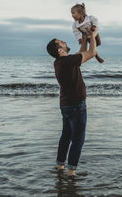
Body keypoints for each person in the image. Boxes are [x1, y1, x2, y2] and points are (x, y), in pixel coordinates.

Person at [46, 26, 97, 177]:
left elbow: (82, 52)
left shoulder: (60, 62)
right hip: (76, 106)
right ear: (60, 51)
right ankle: (71, 171)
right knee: (77, 139)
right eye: (61, 42)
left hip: (66, 105)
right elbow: (92, 53)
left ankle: (60, 166)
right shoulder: (68, 61)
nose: (64, 41)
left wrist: (83, 37)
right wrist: (93, 35)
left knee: (66, 136)